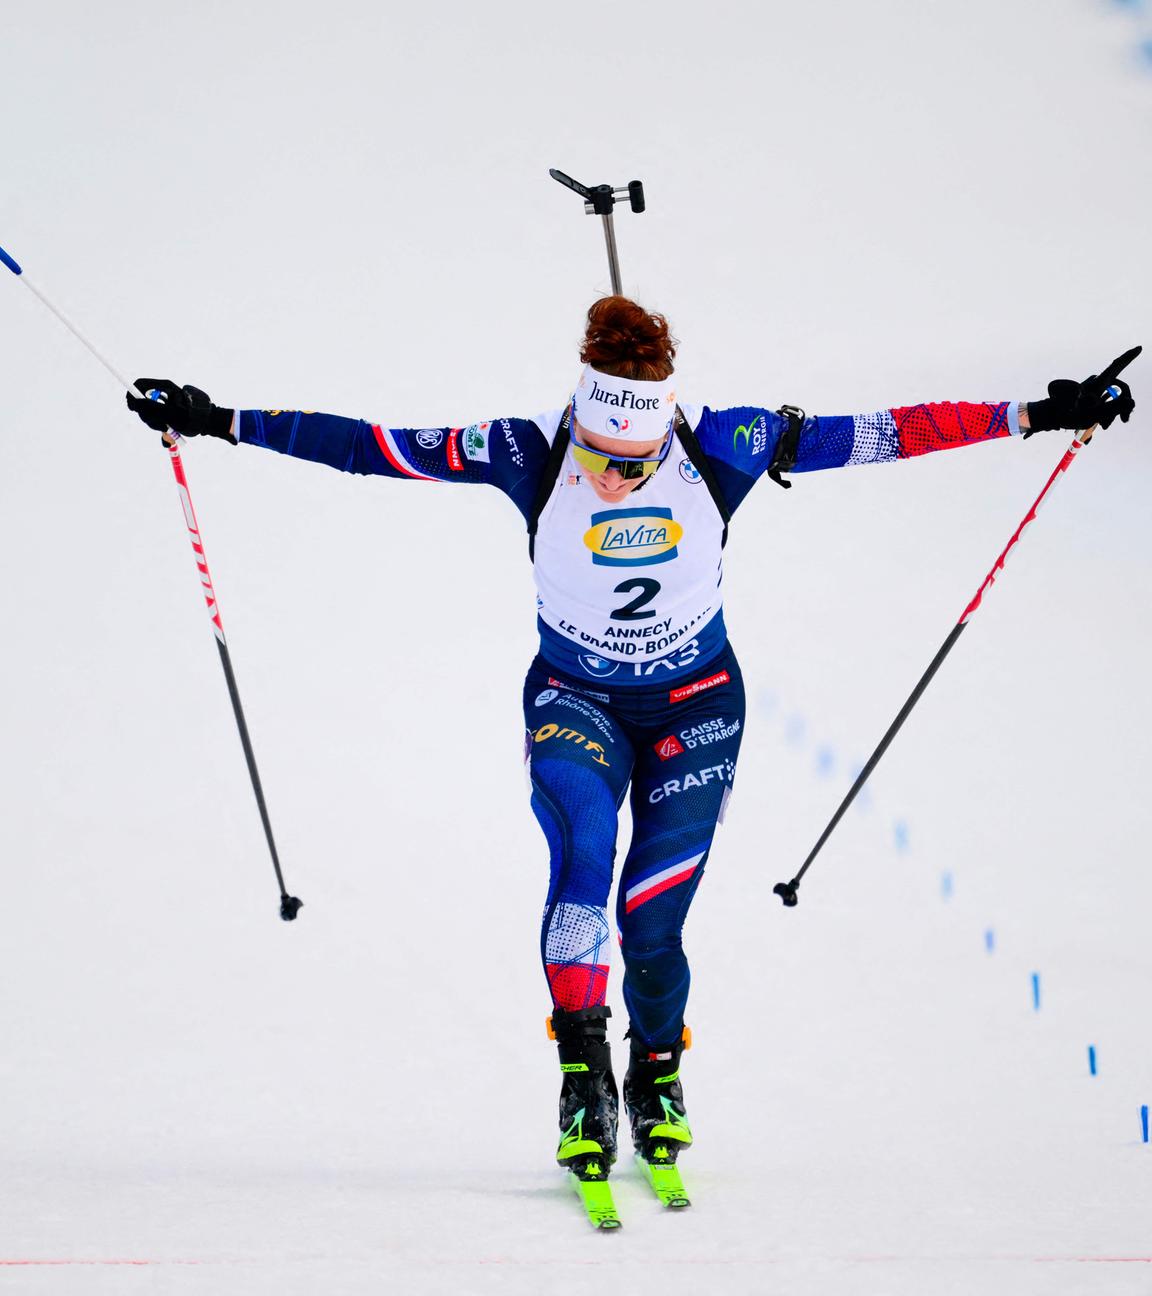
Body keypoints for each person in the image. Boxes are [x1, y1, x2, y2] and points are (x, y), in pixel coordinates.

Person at [126, 296, 1137, 1195]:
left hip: (697, 708)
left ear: (664, 431)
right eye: (601, 458)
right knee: (579, 864)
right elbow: (371, 446)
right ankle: (582, 1073)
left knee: (651, 927)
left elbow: (883, 434)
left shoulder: (727, 446)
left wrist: (1037, 415)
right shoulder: (524, 452)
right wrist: (220, 422)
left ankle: (657, 1072)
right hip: (577, 701)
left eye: (635, 461)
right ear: (579, 423)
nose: (614, 478)